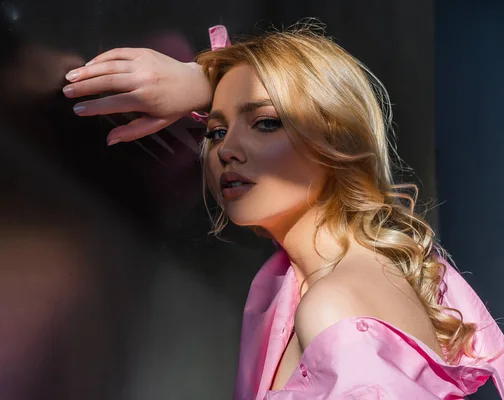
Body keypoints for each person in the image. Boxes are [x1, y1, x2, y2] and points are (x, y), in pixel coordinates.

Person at [62, 24, 504, 399]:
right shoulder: (370, 271)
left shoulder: (333, 305)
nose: (227, 151)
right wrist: (203, 81)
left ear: (335, 141)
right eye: (216, 132)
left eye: (267, 123)